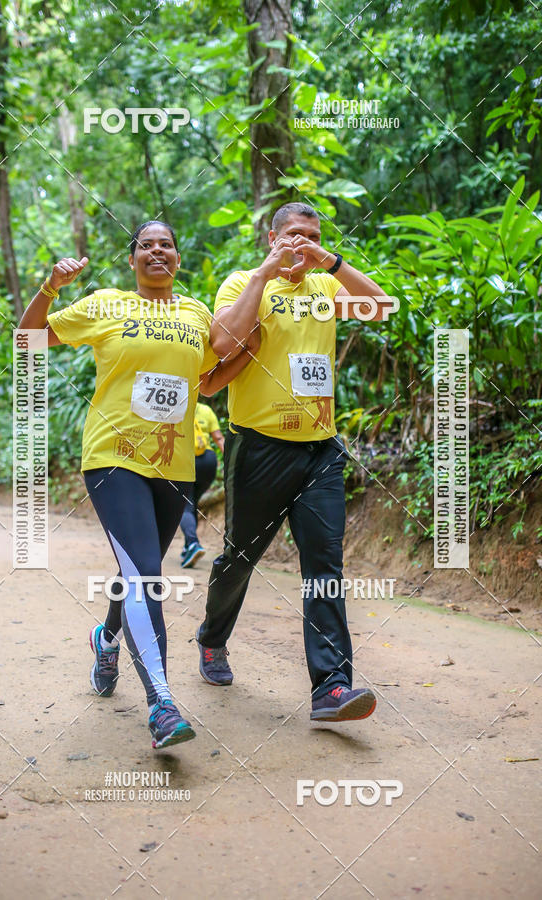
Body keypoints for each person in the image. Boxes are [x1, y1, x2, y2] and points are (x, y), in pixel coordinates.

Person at [19, 220, 259, 749]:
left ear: (177, 258)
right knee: (147, 574)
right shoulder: (106, 304)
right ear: (133, 260)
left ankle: (106, 639)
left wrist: (248, 349)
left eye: (166, 244)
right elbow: (31, 336)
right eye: (146, 245)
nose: (157, 251)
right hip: (113, 458)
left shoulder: (196, 314)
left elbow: (205, 383)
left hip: (172, 466)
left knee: (134, 569)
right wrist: (49, 289)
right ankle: (162, 705)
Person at [196, 201, 393, 723]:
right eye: (295, 235)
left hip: (321, 450)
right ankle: (212, 638)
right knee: (240, 557)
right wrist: (265, 274)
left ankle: (331, 688)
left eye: (312, 235)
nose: (303, 243)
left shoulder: (327, 287)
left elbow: (382, 306)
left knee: (324, 566)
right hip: (259, 447)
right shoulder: (244, 282)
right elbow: (221, 341)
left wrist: (331, 262)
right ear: (272, 238)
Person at [179, 401, 224, 568]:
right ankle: (186, 547)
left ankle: (192, 544)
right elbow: (219, 438)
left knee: (185, 505)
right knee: (192, 504)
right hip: (208, 462)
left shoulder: (176, 407)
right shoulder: (205, 410)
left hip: (186, 460)